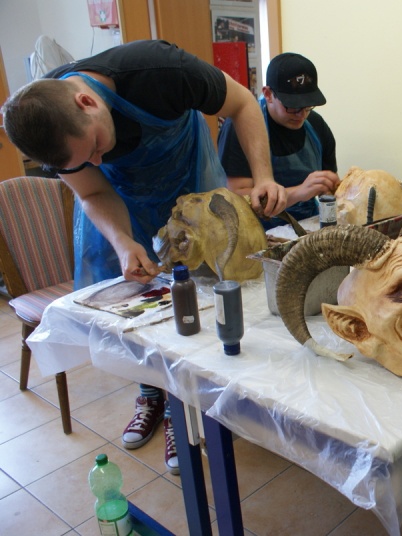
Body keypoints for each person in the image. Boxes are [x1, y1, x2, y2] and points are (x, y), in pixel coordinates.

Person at [1, 39, 287, 476]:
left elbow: (244, 104)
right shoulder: (54, 131)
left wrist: (263, 175)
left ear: (86, 101)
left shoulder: (162, 72)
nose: (99, 158)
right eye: (87, 159)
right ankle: (151, 395)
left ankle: (182, 407)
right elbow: (94, 192)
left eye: (96, 146)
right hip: (119, 200)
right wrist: (122, 242)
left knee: (198, 293)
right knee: (137, 303)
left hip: (187, 178)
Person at [218, 52, 339, 230]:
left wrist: (329, 187)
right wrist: (299, 192)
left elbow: (329, 189)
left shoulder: (316, 125)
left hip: (307, 225)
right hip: (258, 232)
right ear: (268, 94)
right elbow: (236, 198)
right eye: (292, 106)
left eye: (307, 106)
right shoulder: (239, 128)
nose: (301, 115)